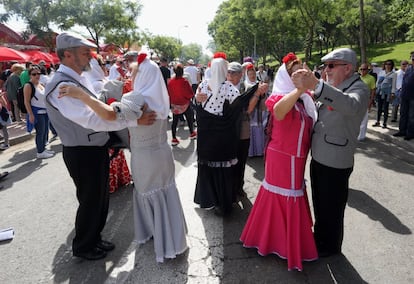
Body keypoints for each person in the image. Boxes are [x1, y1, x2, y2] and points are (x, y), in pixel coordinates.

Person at [59, 52, 188, 263]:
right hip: (163, 155)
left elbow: (110, 115)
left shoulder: (135, 98)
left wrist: (81, 95)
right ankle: (172, 236)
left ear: (142, 75)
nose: (129, 76)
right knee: (165, 192)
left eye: (133, 72)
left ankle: (159, 237)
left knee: (148, 194)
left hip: (145, 158)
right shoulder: (159, 95)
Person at [45, 32, 156, 261]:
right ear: (68, 54)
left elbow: (98, 99)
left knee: (100, 198)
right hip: (82, 151)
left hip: (93, 147)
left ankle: (94, 238)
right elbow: (92, 119)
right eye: (85, 53)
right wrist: (134, 121)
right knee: (90, 200)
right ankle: (84, 246)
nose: (91, 58)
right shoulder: (62, 86)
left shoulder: (76, 79)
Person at [241, 53, 318, 271]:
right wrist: (301, 89)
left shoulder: (305, 99)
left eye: (299, 70)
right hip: (282, 156)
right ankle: (279, 243)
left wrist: (306, 89)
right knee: (282, 195)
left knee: (290, 193)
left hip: (297, 157)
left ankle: (281, 239)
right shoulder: (279, 97)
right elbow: (279, 112)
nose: (297, 74)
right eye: (293, 71)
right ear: (285, 75)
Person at [291, 48, 369, 257]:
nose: (326, 70)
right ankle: (321, 240)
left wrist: (317, 85)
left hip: (336, 160)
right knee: (321, 203)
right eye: (325, 66)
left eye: (331, 66)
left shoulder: (359, 87)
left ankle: (330, 248)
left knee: (332, 208)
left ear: (348, 68)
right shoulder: (334, 85)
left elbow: (350, 105)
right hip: (320, 156)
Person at [194, 57, 262, 216]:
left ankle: (209, 200)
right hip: (223, 137)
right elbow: (240, 105)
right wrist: (256, 91)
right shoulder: (229, 88)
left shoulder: (203, 85)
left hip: (206, 138)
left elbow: (197, 104)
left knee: (208, 168)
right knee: (223, 171)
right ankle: (223, 204)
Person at [24, 66, 54, 159]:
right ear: (30, 75)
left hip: (45, 111)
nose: (37, 75)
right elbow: (27, 101)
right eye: (34, 74)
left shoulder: (40, 84)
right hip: (37, 113)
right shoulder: (28, 85)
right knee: (40, 132)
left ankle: (43, 149)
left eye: (38, 73)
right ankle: (40, 152)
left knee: (45, 131)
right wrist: (31, 114)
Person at [167, 63, 197, 146]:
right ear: (182, 72)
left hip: (175, 104)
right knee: (189, 118)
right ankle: (192, 133)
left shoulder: (171, 82)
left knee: (175, 121)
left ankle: (174, 138)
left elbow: (169, 93)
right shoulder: (184, 81)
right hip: (184, 103)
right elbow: (190, 93)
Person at [244, 63, 268, 157]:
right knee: (250, 130)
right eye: (250, 74)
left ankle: (259, 151)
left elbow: (265, 96)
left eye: (253, 74)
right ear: (247, 75)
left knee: (258, 129)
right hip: (250, 111)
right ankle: (250, 152)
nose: (252, 76)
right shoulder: (245, 85)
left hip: (259, 111)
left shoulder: (259, 84)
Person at [394, 52, 414, 140]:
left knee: (411, 115)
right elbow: (404, 80)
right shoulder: (408, 68)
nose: (413, 60)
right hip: (404, 95)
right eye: (412, 59)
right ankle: (402, 130)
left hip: (413, 96)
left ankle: (410, 133)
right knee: (403, 113)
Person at [372, 59, 396, 128]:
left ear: (392, 65)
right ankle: (378, 121)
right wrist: (376, 89)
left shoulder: (394, 74)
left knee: (385, 108)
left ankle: (384, 123)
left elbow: (393, 85)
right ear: (384, 65)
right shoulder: (381, 72)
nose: (387, 65)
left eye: (389, 64)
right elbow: (377, 82)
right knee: (379, 107)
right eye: (386, 64)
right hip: (379, 92)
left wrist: (392, 93)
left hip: (387, 93)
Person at [358, 63, 376, 141]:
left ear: (367, 70)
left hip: (366, 100)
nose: (362, 71)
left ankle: (361, 136)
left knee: (364, 119)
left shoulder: (371, 78)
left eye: (364, 69)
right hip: (357, 100)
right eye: (361, 69)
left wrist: (371, 101)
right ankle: (356, 134)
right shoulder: (357, 78)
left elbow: (373, 90)